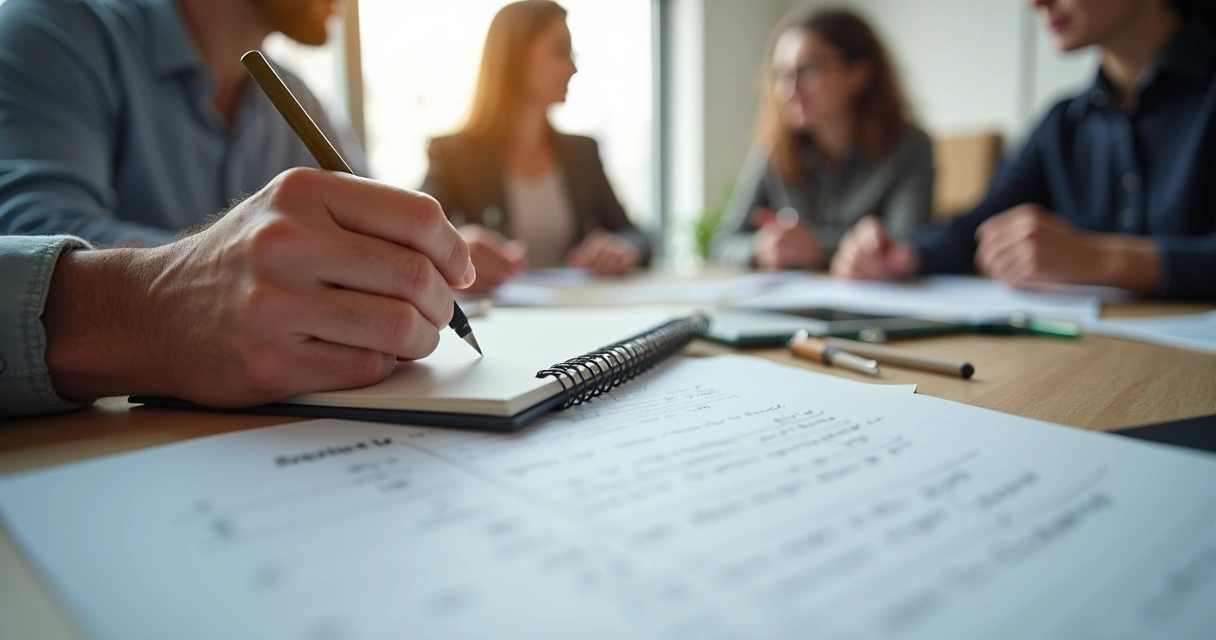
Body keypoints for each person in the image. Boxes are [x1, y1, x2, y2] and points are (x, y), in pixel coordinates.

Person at [0, 170, 474, 419]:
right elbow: (26, 224)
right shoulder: (63, 38)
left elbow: (366, 231)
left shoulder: (300, 95)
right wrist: (157, 296)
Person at [832, 0, 1216, 300]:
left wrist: (1107, 260)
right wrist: (899, 253)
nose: (1036, 3)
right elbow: (976, 229)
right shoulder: (1062, 124)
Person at [0, 0, 364, 244]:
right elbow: (32, 249)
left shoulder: (298, 98)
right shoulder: (55, 31)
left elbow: (367, 224)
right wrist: (231, 271)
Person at [420, 0, 650, 293]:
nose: (573, 68)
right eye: (560, 51)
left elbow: (635, 234)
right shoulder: (454, 155)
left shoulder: (583, 153)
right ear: (515, 58)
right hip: (494, 312)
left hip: (578, 308)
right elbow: (418, 233)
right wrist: (456, 245)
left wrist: (623, 247)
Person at [714, 8, 933, 271]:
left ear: (859, 74)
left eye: (808, 69)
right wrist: (760, 248)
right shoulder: (775, 149)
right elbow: (723, 243)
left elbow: (906, 246)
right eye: (782, 74)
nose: (790, 89)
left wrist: (818, 248)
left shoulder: (908, 147)